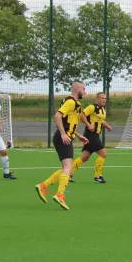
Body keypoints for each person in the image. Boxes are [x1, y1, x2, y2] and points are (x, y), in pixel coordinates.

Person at [35, 81, 90, 210]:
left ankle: (43, 186)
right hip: (62, 138)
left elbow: (68, 122)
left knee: (67, 168)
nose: (85, 91)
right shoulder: (70, 102)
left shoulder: (77, 104)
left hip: (66, 137)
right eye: (83, 89)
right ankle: (59, 195)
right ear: (77, 90)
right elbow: (57, 116)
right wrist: (63, 134)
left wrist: (78, 135)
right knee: (68, 167)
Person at [69, 92, 112, 184]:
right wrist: (88, 124)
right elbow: (81, 115)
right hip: (91, 134)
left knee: (84, 157)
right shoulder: (93, 107)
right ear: (97, 99)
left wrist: (107, 126)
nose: (104, 100)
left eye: (105, 98)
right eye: (102, 98)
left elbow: (101, 121)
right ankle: (98, 175)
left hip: (94, 135)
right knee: (103, 154)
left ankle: (68, 173)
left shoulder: (103, 110)